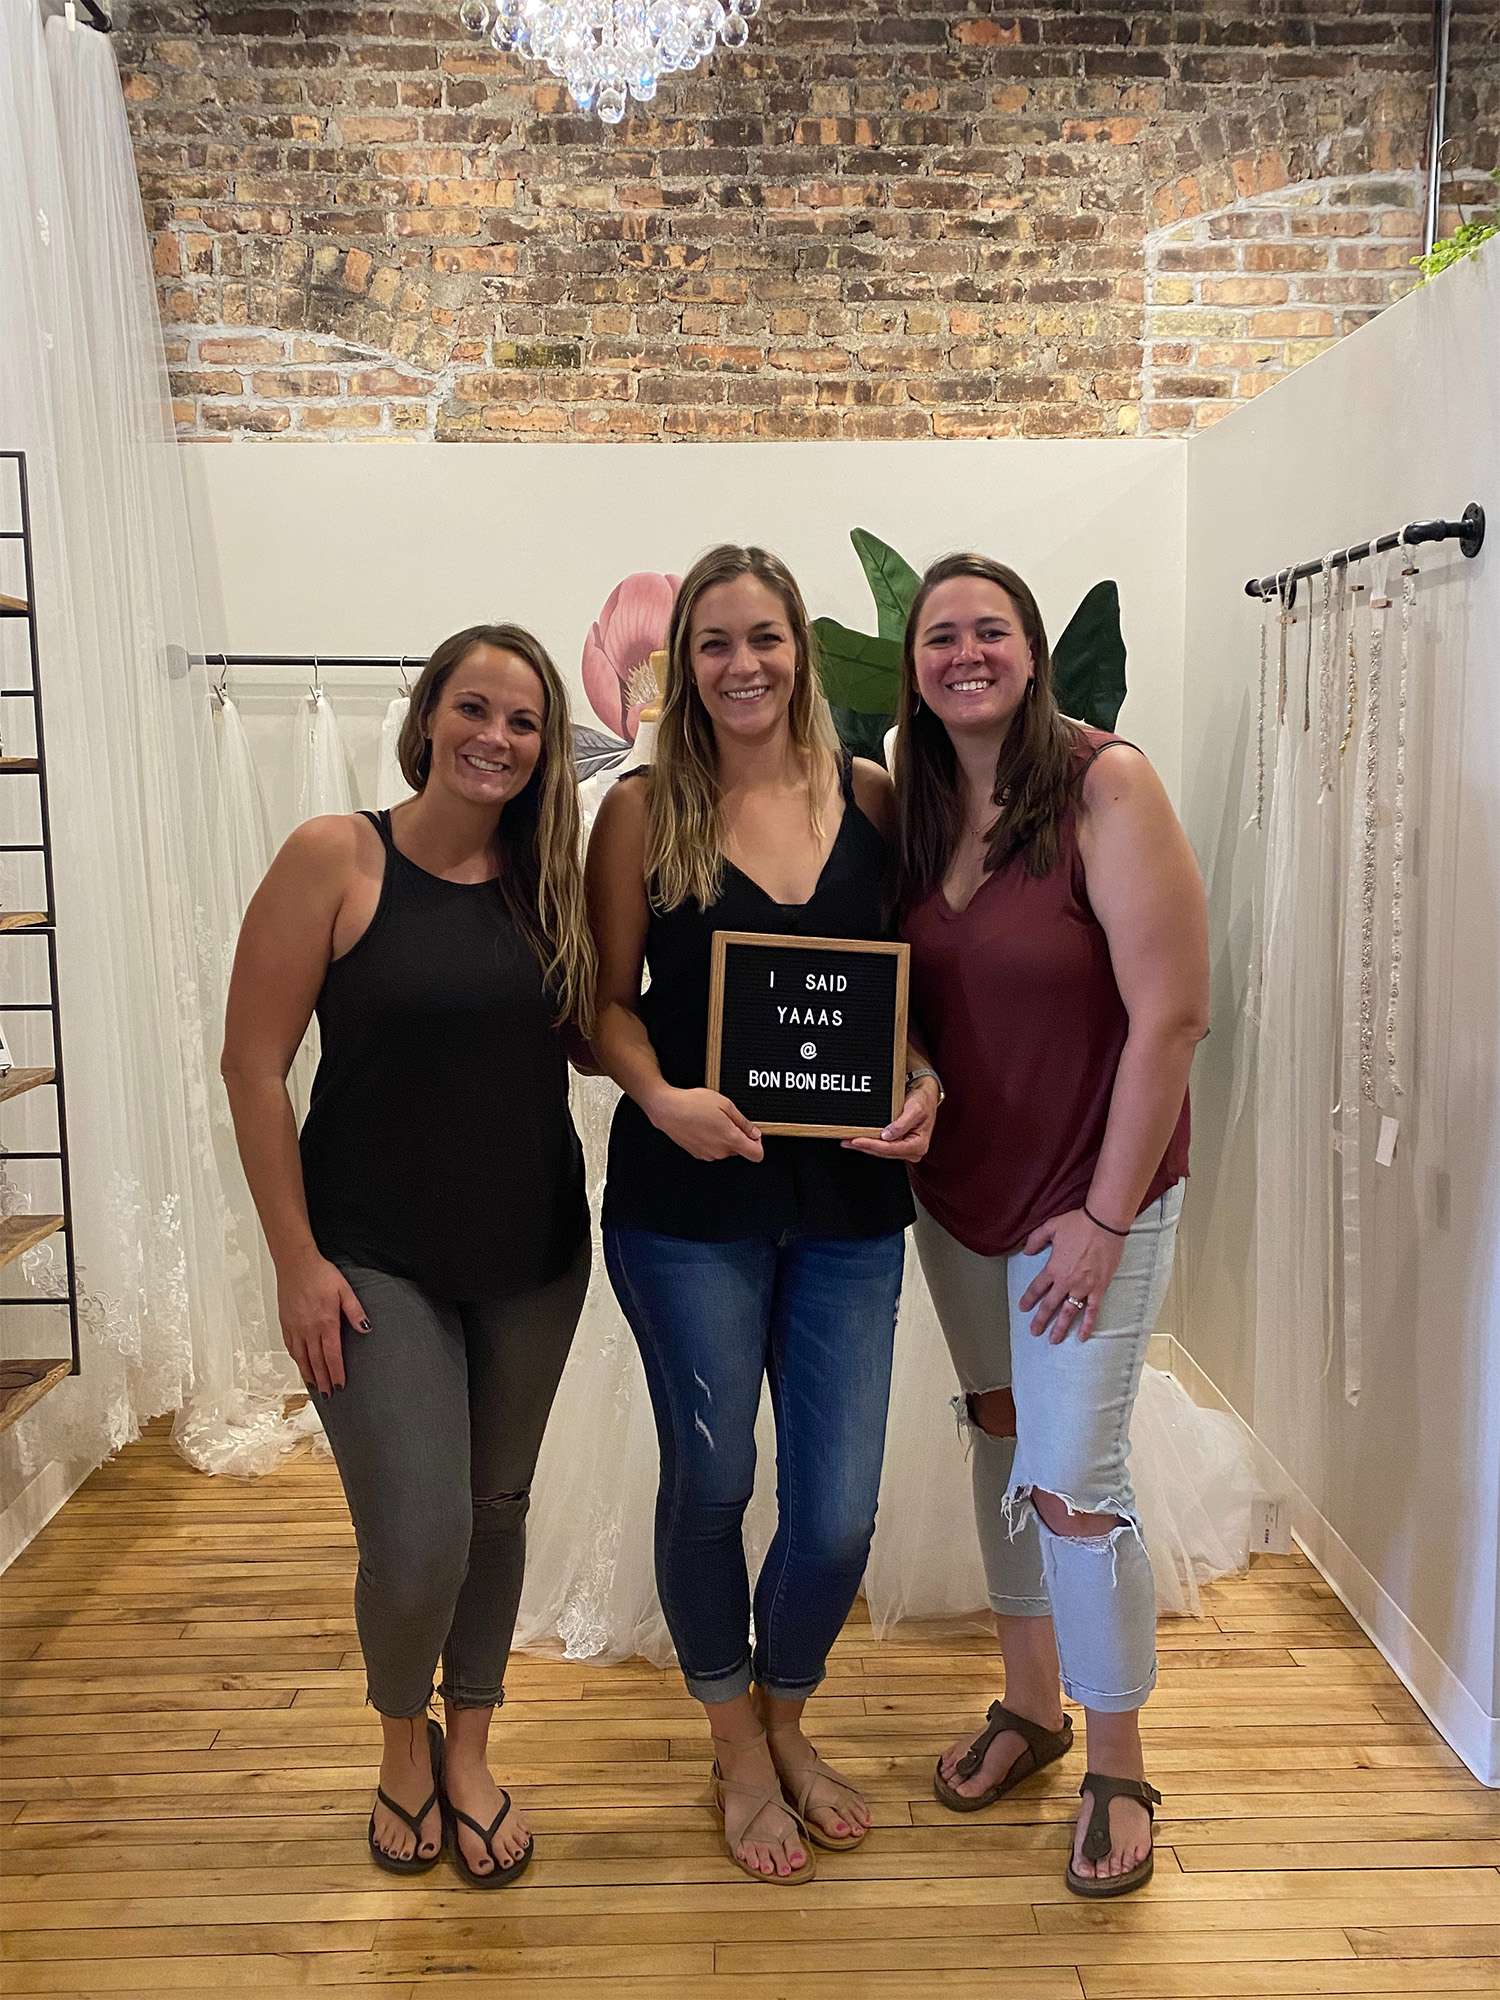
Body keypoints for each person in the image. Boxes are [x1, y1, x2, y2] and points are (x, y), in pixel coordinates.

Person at [221, 623, 595, 1887]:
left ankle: (474, 1745)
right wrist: (295, 1260)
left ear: (547, 747)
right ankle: (401, 1739)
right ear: (429, 714)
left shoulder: (551, 875)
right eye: (475, 708)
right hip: (370, 1256)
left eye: (524, 721)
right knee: (421, 1525)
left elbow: (605, 1033)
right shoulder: (339, 854)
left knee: (495, 1510)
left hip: (535, 1252)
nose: (497, 736)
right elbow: (254, 1067)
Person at [587, 544, 938, 1884]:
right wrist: (664, 1095)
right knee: (715, 1479)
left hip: (852, 1202)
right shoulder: (641, 810)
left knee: (838, 1512)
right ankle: (735, 1742)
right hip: (686, 1206)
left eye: (766, 638)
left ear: (802, 648)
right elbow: (601, 1004)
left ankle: (787, 1715)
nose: (743, 665)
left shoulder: (870, 796)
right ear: (684, 661)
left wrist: (926, 1079)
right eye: (715, 642)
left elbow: (899, 995)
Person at [895, 553, 1209, 1899]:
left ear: (1031, 650)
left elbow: (1176, 1015)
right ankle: (1031, 1706)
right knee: (1002, 1440)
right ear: (913, 664)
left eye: (991, 630)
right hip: (958, 1195)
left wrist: (1101, 1215)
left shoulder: (1107, 785)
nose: (966, 651)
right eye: (940, 635)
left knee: (1078, 1492)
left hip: (1091, 1200)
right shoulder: (907, 798)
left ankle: (1120, 1762)